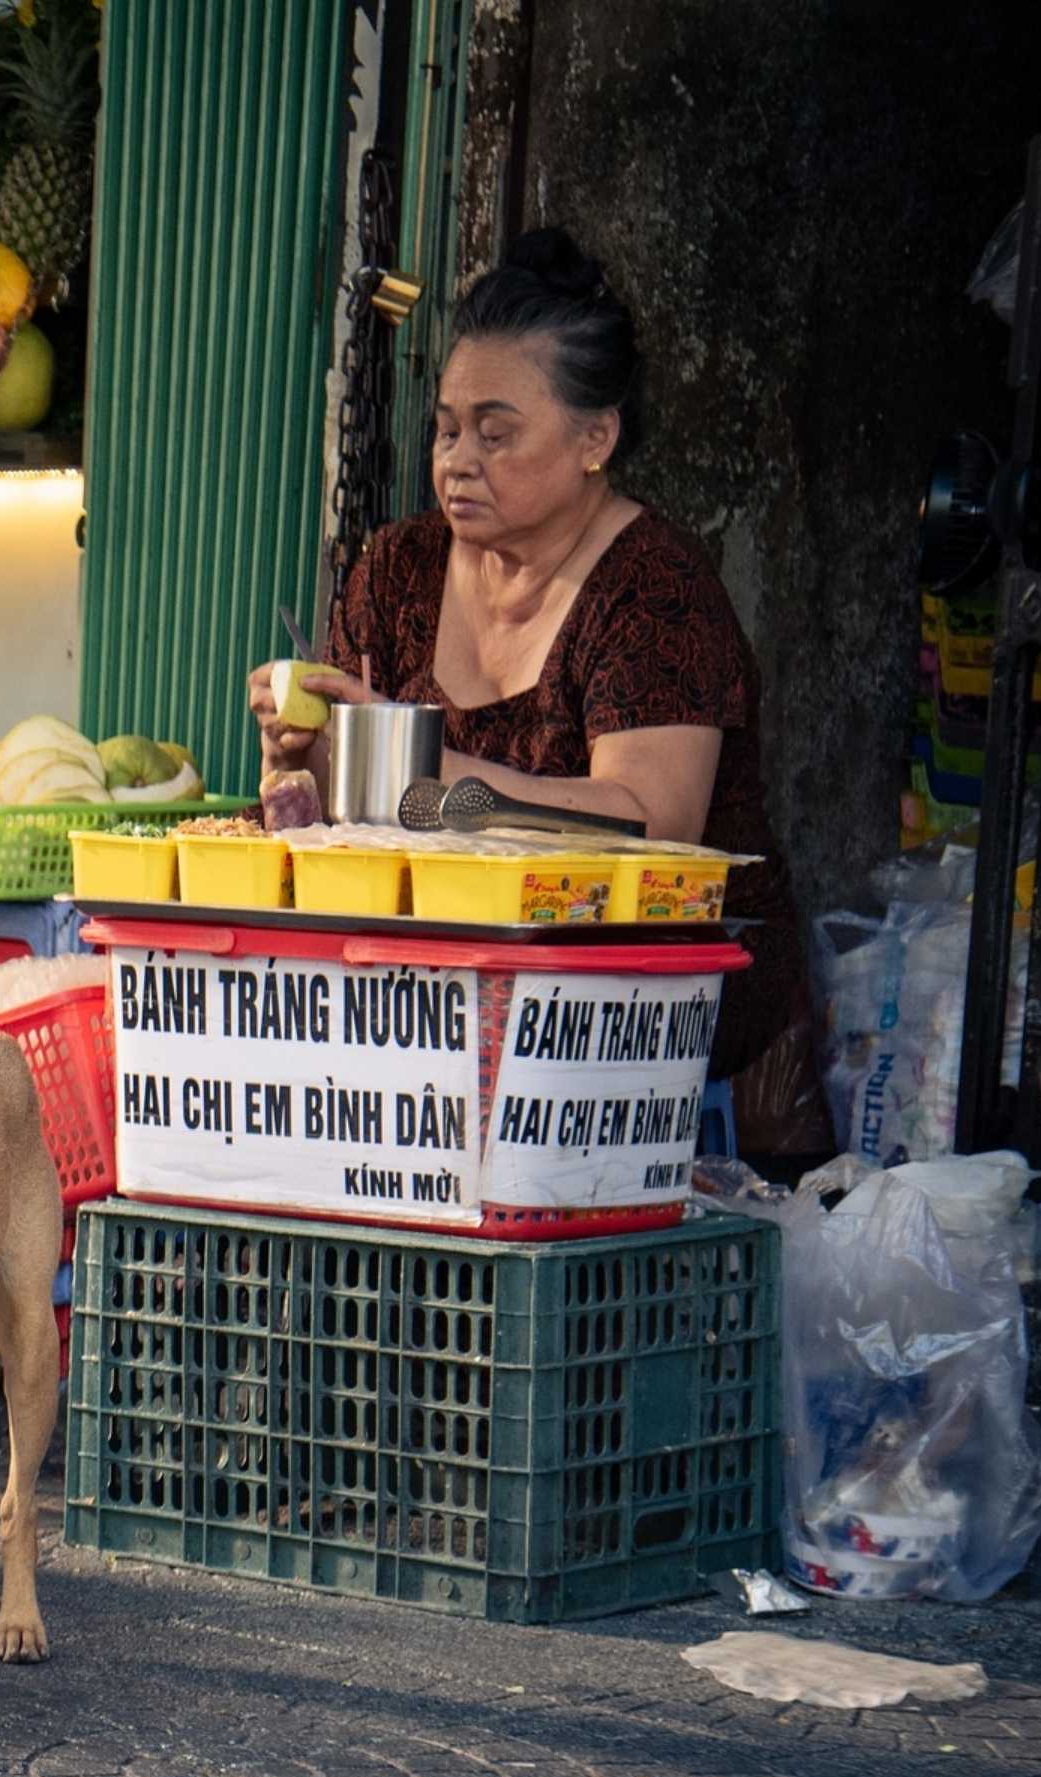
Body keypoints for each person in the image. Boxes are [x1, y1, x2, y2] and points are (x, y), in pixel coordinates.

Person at [251, 228, 818, 1126]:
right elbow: (338, 810)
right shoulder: (396, 569)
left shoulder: (654, 590)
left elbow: (652, 825)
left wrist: (436, 779)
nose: (456, 460)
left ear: (596, 436)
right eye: (444, 429)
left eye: (495, 433)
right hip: (432, 992)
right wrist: (311, 752)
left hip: (642, 1008)